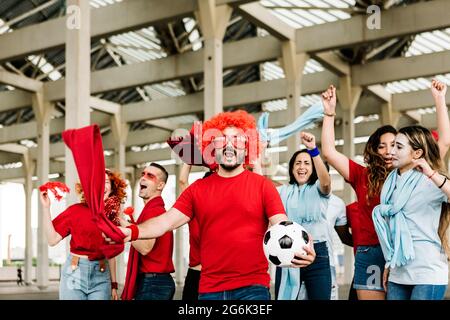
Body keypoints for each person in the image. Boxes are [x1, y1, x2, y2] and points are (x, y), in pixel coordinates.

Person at [106, 110, 316, 300]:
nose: (229, 145)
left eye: (237, 139)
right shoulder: (197, 189)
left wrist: (301, 246)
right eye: (222, 139)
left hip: (252, 289)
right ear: (212, 148)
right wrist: (131, 231)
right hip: (209, 290)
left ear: (247, 147)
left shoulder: (263, 186)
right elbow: (165, 222)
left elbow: (282, 225)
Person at [320, 80, 450, 300]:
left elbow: (443, 142)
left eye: (397, 145)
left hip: (411, 257)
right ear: (375, 149)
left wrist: (439, 100)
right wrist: (330, 114)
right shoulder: (366, 175)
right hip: (377, 253)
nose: (390, 151)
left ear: (414, 152)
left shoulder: (419, 176)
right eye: (384, 145)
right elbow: (330, 152)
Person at [373, 125, 450, 300]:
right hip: (398, 271)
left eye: (398, 147)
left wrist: (431, 174)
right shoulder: (390, 184)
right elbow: (391, 231)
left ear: (417, 154)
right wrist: (388, 264)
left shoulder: (430, 181)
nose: (391, 151)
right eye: (392, 145)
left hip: (427, 272)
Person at [39, 169, 127, 300]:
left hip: (102, 274)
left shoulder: (113, 217)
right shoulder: (75, 211)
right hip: (74, 272)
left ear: (113, 187)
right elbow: (52, 240)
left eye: (107, 182)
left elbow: (111, 253)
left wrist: (114, 284)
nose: (103, 185)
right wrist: (46, 208)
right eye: (99, 182)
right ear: (89, 187)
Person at [274, 132, 332, 300]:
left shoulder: (319, 190)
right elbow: (261, 183)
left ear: (313, 168)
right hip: (287, 252)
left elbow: (326, 182)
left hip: (317, 253)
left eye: (307, 163)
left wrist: (313, 150)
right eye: (298, 163)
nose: (302, 167)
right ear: (292, 168)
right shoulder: (282, 191)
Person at [120, 163, 175, 300]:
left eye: (150, 176)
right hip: (156, 282)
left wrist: (121, 221)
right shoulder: (153, 209)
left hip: (153, 284)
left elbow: (145, 247)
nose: (143, 178)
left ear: (160, 186)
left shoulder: (154, 210)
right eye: (143, 174)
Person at [177, 163, 214, 301]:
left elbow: (182, 181)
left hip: (197, 274)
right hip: (210, 275)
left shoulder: (193, 209)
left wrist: (189, 159)